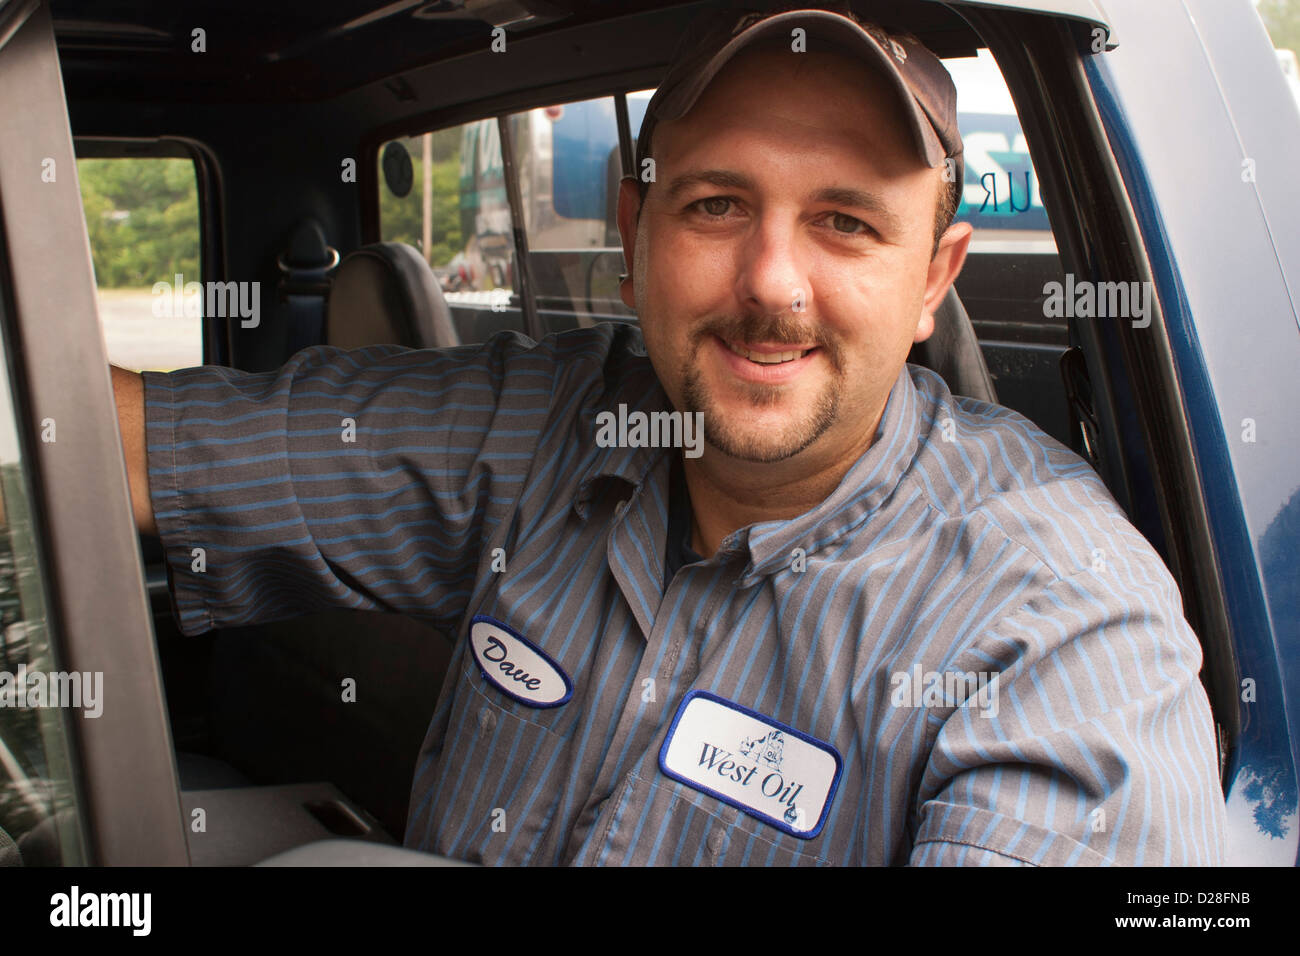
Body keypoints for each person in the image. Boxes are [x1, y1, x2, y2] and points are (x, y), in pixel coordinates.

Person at [111, 2, 1227, 865]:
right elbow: (135, 450)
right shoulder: (544, 422)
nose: (772, 285)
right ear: (637, 235)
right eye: (716, 206)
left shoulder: (1059, 630)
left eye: (844, 222)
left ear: (933, 276)